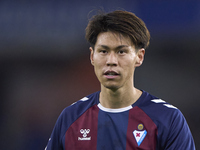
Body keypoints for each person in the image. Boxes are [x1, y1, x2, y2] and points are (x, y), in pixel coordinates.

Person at [45, 10, 195, 150]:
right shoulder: (71, 117)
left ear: (139, 57)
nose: (111, 61)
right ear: (92, 56)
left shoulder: (168, 119)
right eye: (103, 51)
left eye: (121, 52)